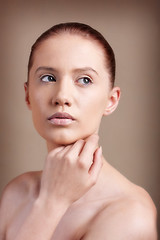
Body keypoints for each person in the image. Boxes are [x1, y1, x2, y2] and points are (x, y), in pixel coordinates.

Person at [0, 22, 157, 240]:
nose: (62, 96)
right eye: (48, 78)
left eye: (84, 80)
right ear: (27, 96)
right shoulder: (16, 194)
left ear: (111, 101)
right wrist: (50, 201)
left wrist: (52, 203)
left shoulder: (131, 213)